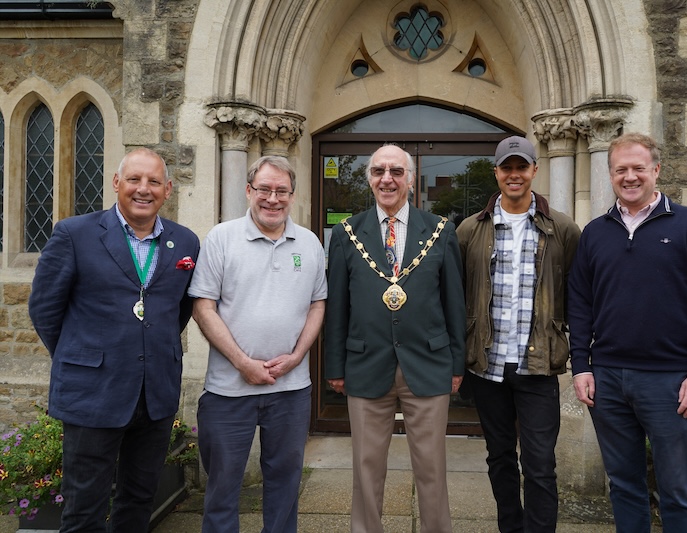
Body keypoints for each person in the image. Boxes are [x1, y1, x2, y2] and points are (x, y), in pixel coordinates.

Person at [28, 148, 200, 533]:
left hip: (155, 394)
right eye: (135, 179)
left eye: (154, 181)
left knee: (139, 501)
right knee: (84, 507)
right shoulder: (75, 233)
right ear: (116, 183)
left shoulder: (185, 242)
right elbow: (44, 309)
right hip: (92, 393)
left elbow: (179, 310)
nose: (144, 189)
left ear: (168, 189)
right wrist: (84, 357)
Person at [568, 132, 687, 532]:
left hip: (671, 383)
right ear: (610, 174)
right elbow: (580, 304)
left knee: (678, 492)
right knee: (624, 487)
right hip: (607, 380)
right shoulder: (594, 233)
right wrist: (581, 365)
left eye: (638, 168)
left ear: (656, 170)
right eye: (620, 169)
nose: (630, 177)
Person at [324, 144, 466, 533]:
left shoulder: (440, 230)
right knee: (366, 467)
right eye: (378, 171)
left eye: (396, 171)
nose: (387, 179)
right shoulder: (346, 233)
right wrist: (334, 366)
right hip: (366, 365)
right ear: (370, 178)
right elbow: (337, 306)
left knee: (432, 468)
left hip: (429, 364)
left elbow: (454, 303)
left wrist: (457, 363)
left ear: (411, 178)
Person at [189, 155, 327, 533]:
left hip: (291, 390)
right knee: (222, 488)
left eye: (281, 191)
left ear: (292, 196)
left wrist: (298, 356)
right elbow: (203, 306)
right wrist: (242, 362)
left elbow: (318, 304)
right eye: (264, 189)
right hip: (228, 391)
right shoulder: (221, 237)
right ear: (249, 191)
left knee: (284, 486)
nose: (273, 198)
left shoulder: (311, 243)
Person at [456, 135, 581, 533]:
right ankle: (510, 527)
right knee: (500, 458)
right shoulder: (469, 230)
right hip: (487, 367)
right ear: (496, 172)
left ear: (534, 171)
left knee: (541, 464)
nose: (514, 175)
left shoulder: (562, 228)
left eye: (521, 167)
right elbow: (457, 296)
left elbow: (577, 294)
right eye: (506, 168)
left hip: (538, 367)